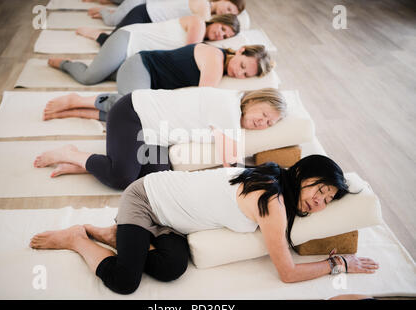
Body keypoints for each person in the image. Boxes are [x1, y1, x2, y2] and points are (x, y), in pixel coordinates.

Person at [29, 154, 380, 294]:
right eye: (320, 189)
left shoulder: (276, 178)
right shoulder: (272, 200)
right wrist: (339, 263)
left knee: (171, 268)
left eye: (328, 199)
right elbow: (286, 273)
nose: (319, 202)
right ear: (302, 173)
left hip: (173, 223)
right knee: (125, 282)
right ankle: (78, 237)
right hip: (146, 199)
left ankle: (113, 233)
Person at [34, 87, 287, 189]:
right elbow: (231, 167)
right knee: (123, 178)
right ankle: (72, 153)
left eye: (269, 123)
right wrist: (277, 175)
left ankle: (86, 164)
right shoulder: (229, 110)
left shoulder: (232, 115)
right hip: (132, 114)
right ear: (252, 100)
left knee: (159, 175)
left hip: (152, 135)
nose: (262, 123)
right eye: (264, 114)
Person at [46, 43, 273, 121]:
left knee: (139, 117)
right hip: (141, 66)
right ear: (241, 51)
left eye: (245, 75)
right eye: (242, 66)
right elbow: (202, 98)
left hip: (149, 82)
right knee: (133, 105)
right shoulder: (215, 58)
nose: (238, 74)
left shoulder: (222, 65)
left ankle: (76, 112)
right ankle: (76, 98)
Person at [48, 14, 240, 89]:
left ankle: (100, 39)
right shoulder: (198, 24)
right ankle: (65, 63)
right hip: (129, 39)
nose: (219, 35)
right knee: (89, 78)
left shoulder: (207, 47)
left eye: (224, 36)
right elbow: (185, 53)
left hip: (139, 60)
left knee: (120, 78)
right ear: (217, 21)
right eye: (222, 28)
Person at [86, 0, 245, 45]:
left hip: (152, 20)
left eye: (233, 14)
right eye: (230, 8)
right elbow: (200, 31)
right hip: (145, 13)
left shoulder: (208, 14)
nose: (228, 13)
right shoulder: (204, 7)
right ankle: (101, 14)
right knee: (109, 39)